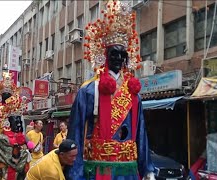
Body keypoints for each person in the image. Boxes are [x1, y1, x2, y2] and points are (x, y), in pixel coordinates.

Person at [66, 1, 155, 179]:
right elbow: (75, 132)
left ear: (126, 59)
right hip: (98, 167)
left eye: (122, 55)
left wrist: (148, 169)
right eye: (113, 54)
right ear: (105, 55)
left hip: (127, 168)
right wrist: (75, 172)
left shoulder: (133, 92)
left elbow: (141, 133)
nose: (118, 58)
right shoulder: (89, 90)